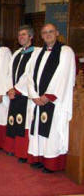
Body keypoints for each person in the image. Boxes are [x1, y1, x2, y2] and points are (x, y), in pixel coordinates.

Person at [27, 23, 75, 173]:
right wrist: (34, 95)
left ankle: (51, 162)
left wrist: (48, 96)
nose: (48, 35)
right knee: (38, 128)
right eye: (44, 32)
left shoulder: (65, 51)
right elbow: (28, 75)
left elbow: (63, 75)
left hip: (54, 101)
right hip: (38, 100)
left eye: (51, 32)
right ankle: (40, 158)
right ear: (41, 36)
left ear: (57, 33)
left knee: (52, 129)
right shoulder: (37, 53)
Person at [2, 25, 41, 163]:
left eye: (24, 34)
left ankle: (23, 152)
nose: (21, 37)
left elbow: (29, 75)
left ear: (31, 36)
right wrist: (9, 89)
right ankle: (12, 149)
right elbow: (8, 73)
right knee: (13, 120)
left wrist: (17, 89)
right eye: (19, 35)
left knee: (23, 121)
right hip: (14, 93)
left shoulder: (36, 52)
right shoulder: (17, 53)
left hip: (25, 94)